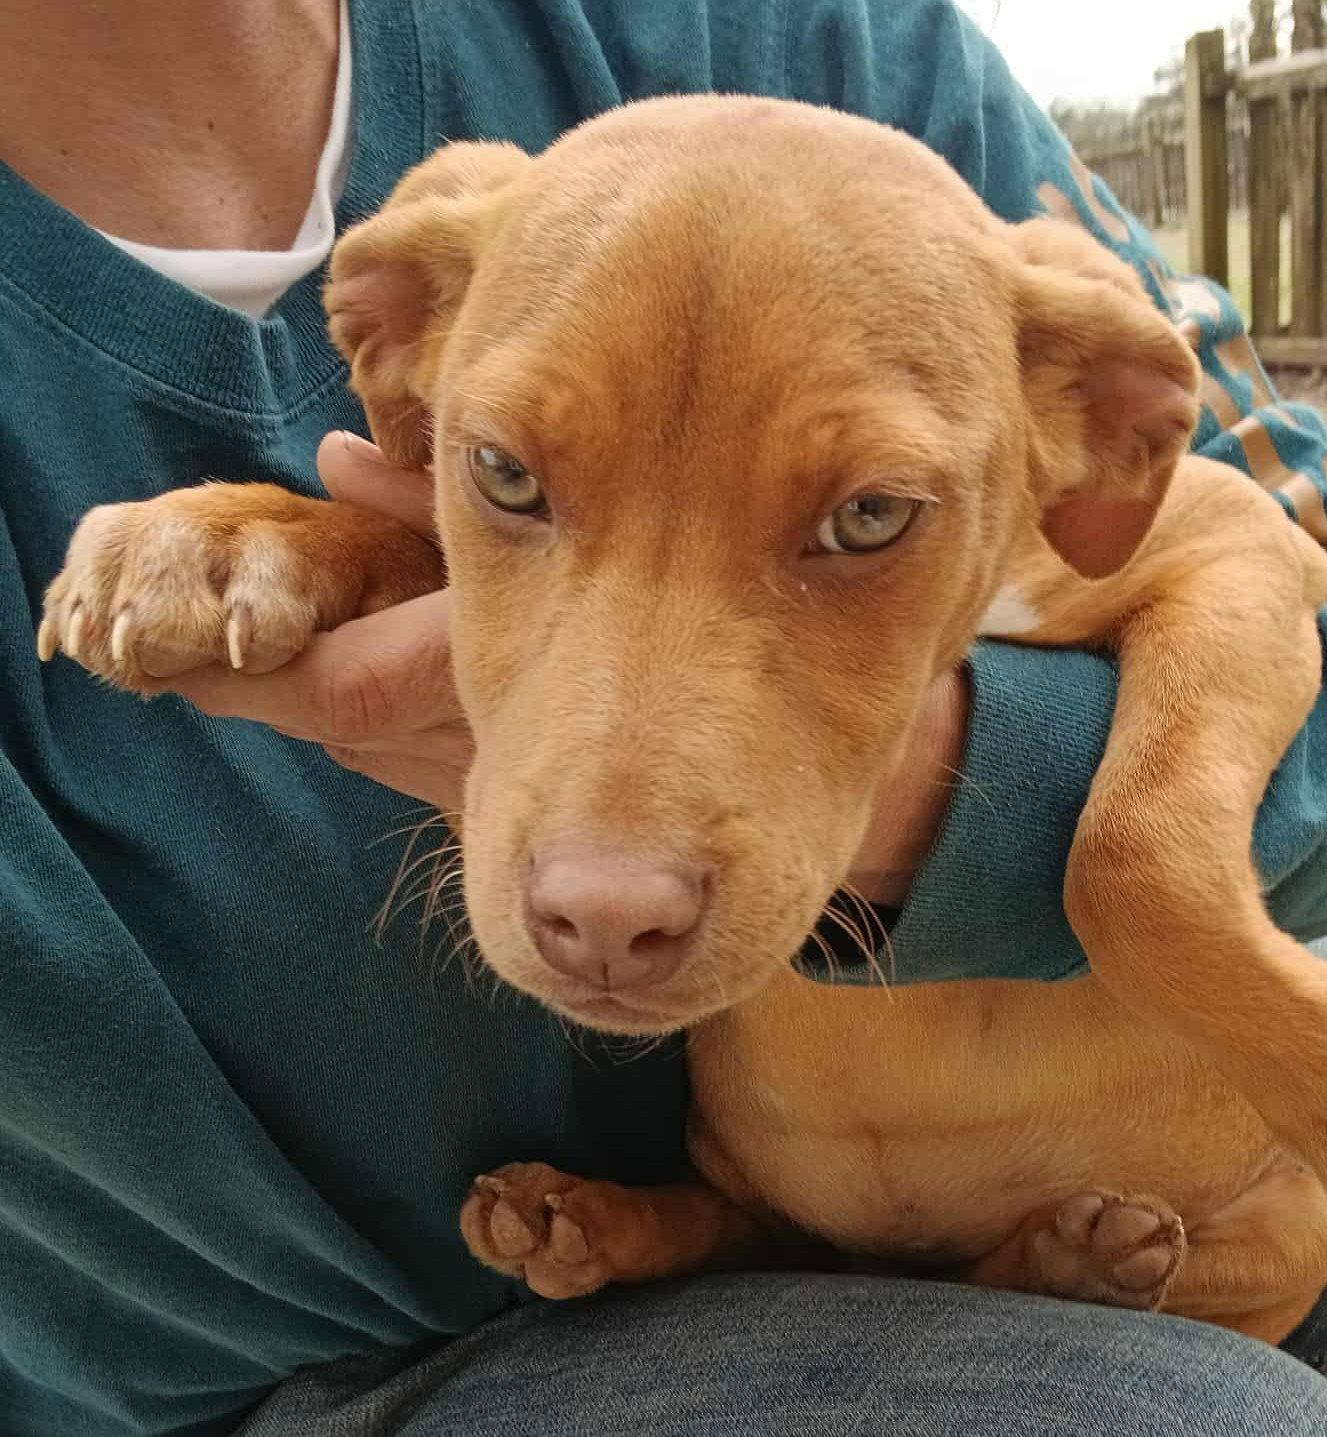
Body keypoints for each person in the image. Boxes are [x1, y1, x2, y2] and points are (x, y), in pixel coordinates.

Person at [2, 1, 1326, 1433]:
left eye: (868, 514)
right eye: (503, 478)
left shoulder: (812, 40)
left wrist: (954, 798)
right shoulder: (468, 270)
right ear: (391, 355)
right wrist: (353, 545)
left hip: (1101, 1203)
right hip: (296, 1373)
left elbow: (1273, 576)